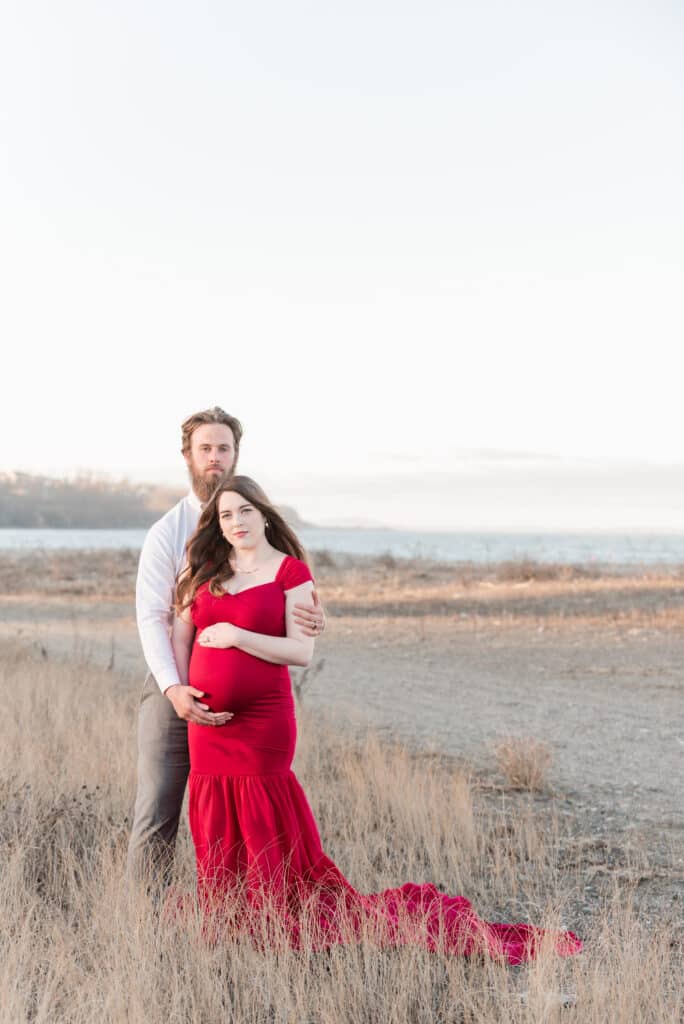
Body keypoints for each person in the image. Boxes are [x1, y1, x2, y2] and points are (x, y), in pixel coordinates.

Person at [170, 475, 582, 964]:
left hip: (263, 721)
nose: (236, 522)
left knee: (262, 804)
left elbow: (301, 651)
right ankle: (227, 911)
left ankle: (270, 910)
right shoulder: (205, 572)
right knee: (214, 804)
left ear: (264, 514)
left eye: (244, 511)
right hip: (206, 725)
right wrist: (180, 690)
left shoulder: (291, 574)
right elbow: (180, 637)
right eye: (225, 515)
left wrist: (237, 635)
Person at [127, 408, 325, 886]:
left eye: (224, 448)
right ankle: (143, 922)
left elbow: (281, 584)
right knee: (159, 807)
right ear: (187, 456)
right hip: (175, 687)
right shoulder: (167, 533)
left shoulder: (247, 521)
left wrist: (315, 613)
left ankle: (247, 912)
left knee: (242, 815)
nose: (214, 458)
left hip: (253, 714)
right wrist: (175, 690)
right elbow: (153, 619)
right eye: (205, 449)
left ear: (236, 454)